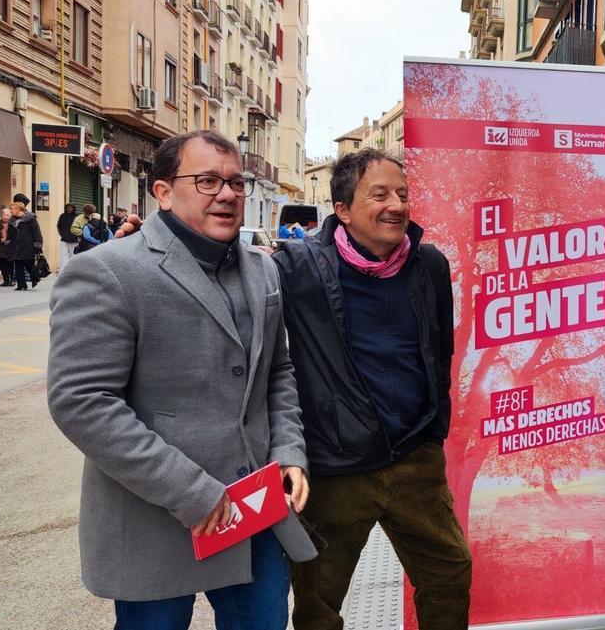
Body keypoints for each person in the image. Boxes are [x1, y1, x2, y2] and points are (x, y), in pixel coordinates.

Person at [46, 129, 317, 629]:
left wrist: (289, 454)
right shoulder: (106, 272)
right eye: (208, 181)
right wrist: (192, 492)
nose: (228, 194)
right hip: (157, 516)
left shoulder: (263, 272)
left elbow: (277, 372)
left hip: (255, 516)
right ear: (164, 192)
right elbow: (83, 403)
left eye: (237, 182)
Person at [273, 148, 471, 630]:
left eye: (402, 194)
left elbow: (439, 351)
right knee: (319, 599)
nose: (397, 205)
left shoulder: (429, 265)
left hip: (414, 459)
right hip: (336, 466)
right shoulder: (299, 268)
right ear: (342, 209)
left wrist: (434, 428)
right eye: (379, 194)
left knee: (450, 571)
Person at [8, 202, 43, 291]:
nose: (10, 211)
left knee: (29, 263)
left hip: (28, 245)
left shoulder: (31, 219)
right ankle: (21, 285)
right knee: (18, 264)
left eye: (12, 209)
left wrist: (38, 243)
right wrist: (8, 241)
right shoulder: (12, 220)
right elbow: (10, 233)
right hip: (16, 246)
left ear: (18, 209)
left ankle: (35, 277)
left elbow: (36, 232)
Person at [0, 206, 13, 286]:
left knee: (10, 265)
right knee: (2, 264)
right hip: (0, 248)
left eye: (7, 215)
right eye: (4, 215)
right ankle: (6, 280)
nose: (5, 217)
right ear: (1, 215)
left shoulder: (13, 224)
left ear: (10, 216)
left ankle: (12, 279)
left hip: (10, 247)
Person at [57, 204, 78, 268]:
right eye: (67, 208)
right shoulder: (62, 216)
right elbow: (59, 226)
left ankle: (73, 269)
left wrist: (76, 236)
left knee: (73, 256)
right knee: (63, 256)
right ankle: (63, 270)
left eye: (70, 208)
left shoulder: (77, 217)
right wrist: (62, 234)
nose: (69, 209)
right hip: (64, 240)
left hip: (74, 241)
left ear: (73, 209)